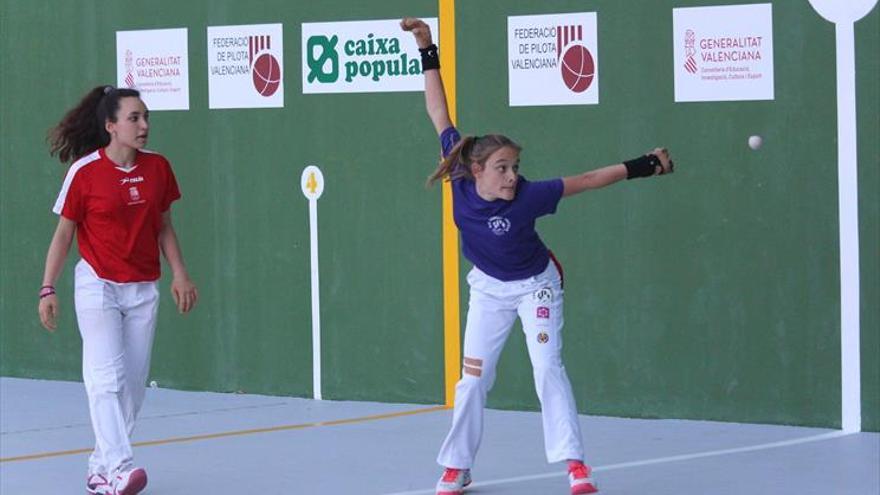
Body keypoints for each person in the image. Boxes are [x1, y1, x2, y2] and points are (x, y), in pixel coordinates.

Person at [401, 18, 674, 495]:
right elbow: (438, 111)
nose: (512, 177)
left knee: (547, 368)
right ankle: (456, 467)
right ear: (477, 170)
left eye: (516, 168)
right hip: (488, 290)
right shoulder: (459, 177)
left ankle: (575, 465)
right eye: (502, 169)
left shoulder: (529, 195)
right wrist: (427, 46)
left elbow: (588, 179)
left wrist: (646, 165)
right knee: (471, 383)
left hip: (536, 286)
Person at [38, 85, 198, 495]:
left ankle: (100, 468)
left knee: (132, 386)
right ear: (111, 126)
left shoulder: (159, 168)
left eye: (145, 117)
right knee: (104, 379)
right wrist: (47, 287)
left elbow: (164, 226)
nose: (144, 125)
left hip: (144, 287)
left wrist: (180, 273)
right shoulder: (84, 173)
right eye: (134, 118)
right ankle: (122, 468)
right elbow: (63, 235)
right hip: (98, 285)